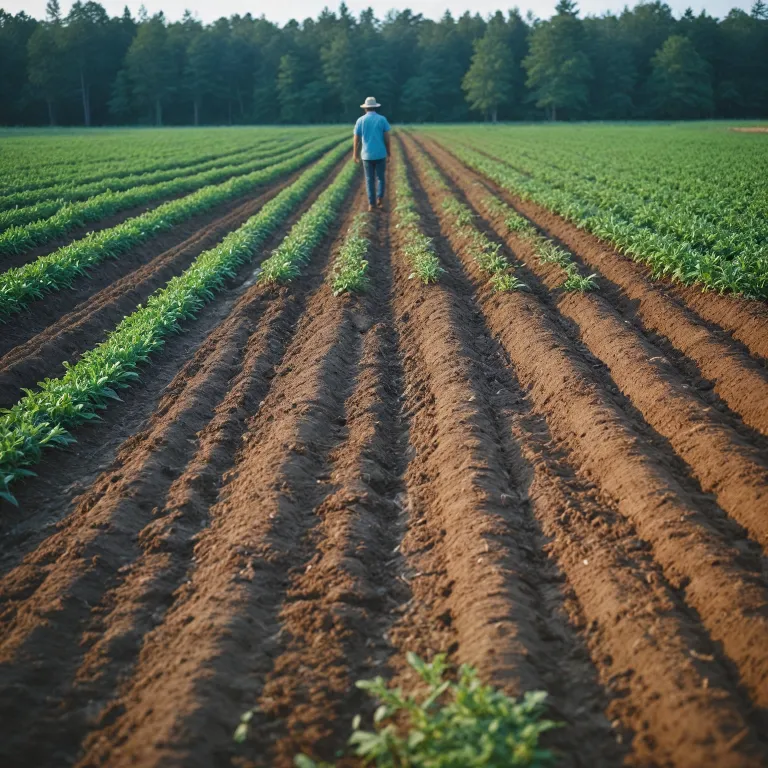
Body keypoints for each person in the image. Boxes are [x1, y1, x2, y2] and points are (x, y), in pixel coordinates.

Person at [353, 97, 391, 212]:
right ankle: (380, 198)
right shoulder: (382, 119)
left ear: (365, 108)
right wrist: (389, 153)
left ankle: (371, 204)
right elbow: (387, 138)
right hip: (380, 154)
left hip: (366, 155)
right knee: (381, 178)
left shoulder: (360, 120)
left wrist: (355, 154)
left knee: (369, 179)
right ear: (375, 107)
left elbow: (356, 138)